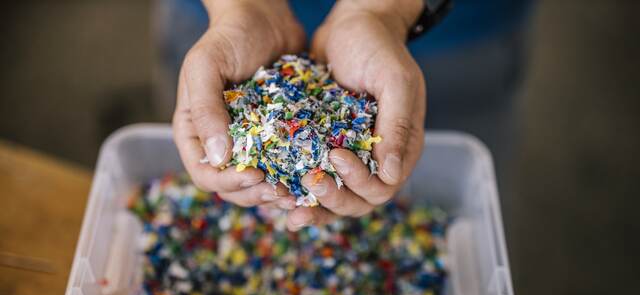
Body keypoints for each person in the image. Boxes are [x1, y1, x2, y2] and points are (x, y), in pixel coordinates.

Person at [159, 0, 535, 230]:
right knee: (213, 179)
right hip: (219, 17)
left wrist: (382, 9)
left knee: (457, 203)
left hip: (450, 35)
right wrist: (238, 6)